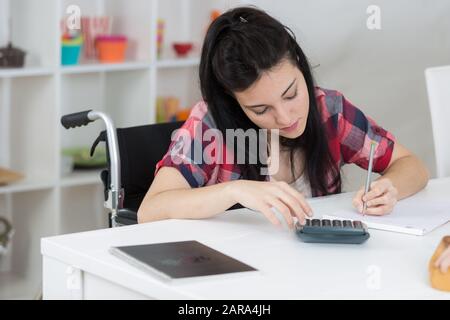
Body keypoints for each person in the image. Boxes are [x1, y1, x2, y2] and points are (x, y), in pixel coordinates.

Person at [137, 7, 429, 228]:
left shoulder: (330, 110)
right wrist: (235, 191)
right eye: (261, 110)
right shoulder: (211, 125)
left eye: (291, 94)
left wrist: (389, 190)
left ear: (301, 67)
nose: (285, 116)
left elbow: (410, 165)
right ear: (234, 102)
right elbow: (149, 210)